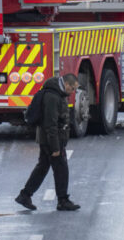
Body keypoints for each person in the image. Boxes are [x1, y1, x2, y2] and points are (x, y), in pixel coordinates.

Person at [15, 74, 81, 212]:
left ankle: (25, 195)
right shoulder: (53, 97)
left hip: (48, 139)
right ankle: (62, 200)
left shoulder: (57, 93)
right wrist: (55, 147)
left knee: (43, 167)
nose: (73, 92)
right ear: (67, 85)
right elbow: (50, 124)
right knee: (61, 169)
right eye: (73, 88)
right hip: (50, 140)